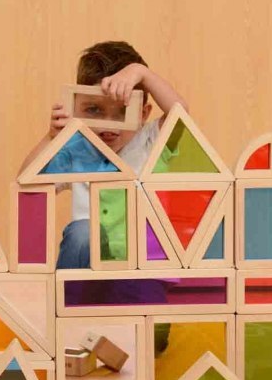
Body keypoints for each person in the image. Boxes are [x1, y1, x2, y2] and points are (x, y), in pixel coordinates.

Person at [19, 40, 189, 269]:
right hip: (87, 271)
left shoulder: (151, 140)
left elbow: (180, 113)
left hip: (144, 268)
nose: (108, 124)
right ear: (75, 108)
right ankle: (66, 291)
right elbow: (27, 184)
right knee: (82, 231)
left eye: (122, 112)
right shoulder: (76, 148)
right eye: (94, 110)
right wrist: (51, 138)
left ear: (142, 114)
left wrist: (141, 73)